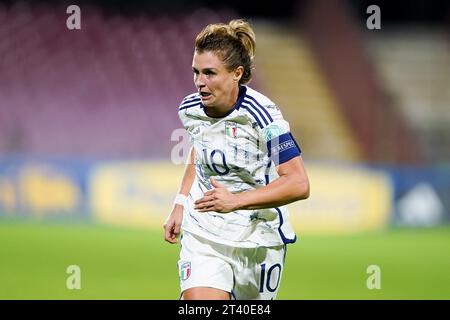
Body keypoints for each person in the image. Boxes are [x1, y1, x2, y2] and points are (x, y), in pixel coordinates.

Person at [163, 19, 310, 300]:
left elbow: (299, 183)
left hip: (257, 238)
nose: (199, 82)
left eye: (209, 73)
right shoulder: (190, 109)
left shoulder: (264, 116)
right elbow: (199, 148)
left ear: (236, 73)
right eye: (196, 72)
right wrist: (180, 202)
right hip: (204, 232)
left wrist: (236, 201)